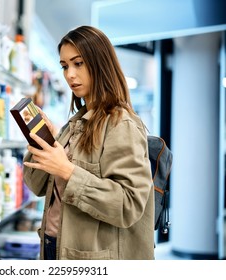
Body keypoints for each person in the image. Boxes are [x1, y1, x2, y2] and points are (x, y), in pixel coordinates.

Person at [22, 25, 154, 260]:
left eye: (78, 63)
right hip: (54, 246)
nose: (69, 74)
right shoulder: (75, 124)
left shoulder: (120, 123)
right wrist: (47, 142)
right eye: (64, 66)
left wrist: (67, 171)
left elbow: (129, 205)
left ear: (99, 62)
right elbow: (36, 185)